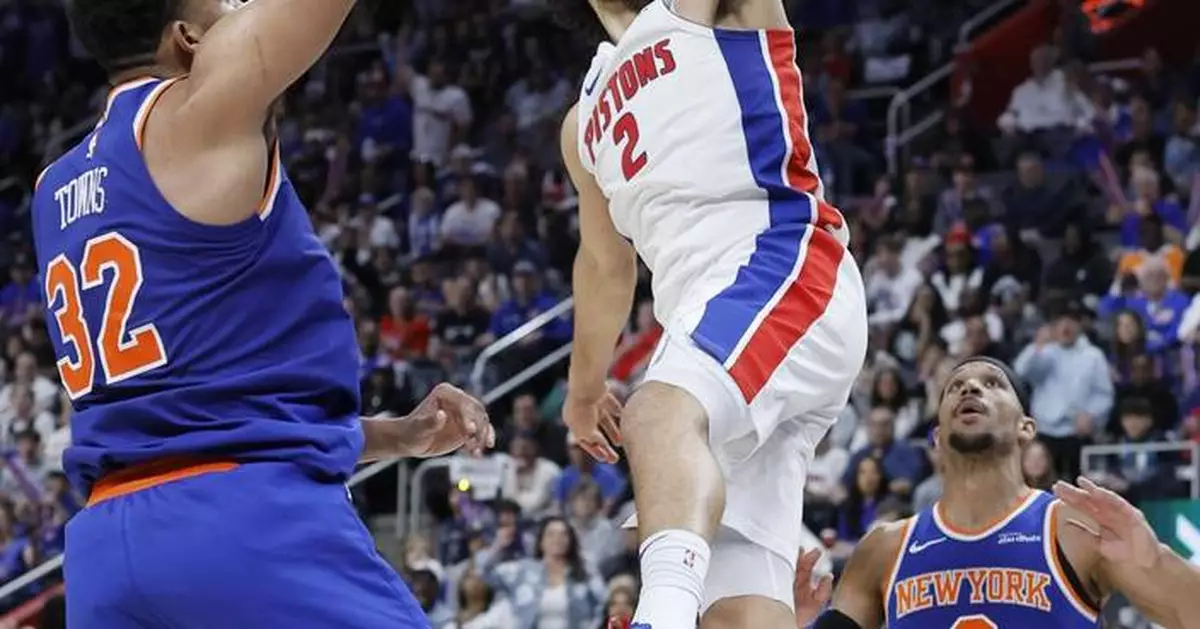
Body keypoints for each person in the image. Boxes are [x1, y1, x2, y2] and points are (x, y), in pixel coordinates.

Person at [30, 2, 494, 628]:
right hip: (240, 526)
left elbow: (193, 412)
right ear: (190, 39)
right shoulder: (196, 117)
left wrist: (396, 435)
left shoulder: (51, 190)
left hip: (104, 552)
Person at [556, 0, 868, 627]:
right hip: (713, 329)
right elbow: (604, 265)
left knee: (658, 413)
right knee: (736, 607)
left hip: (781, 262)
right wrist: (584, 390)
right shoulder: (581, 118)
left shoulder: (701, 10)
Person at [800, 356, 1200, 629]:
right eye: (954, 386)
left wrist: (1155, 562)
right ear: (936, 437)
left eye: (992, 384)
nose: (970, 387)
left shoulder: (1073, 528)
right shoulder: (883, 548)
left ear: (1026, 427)